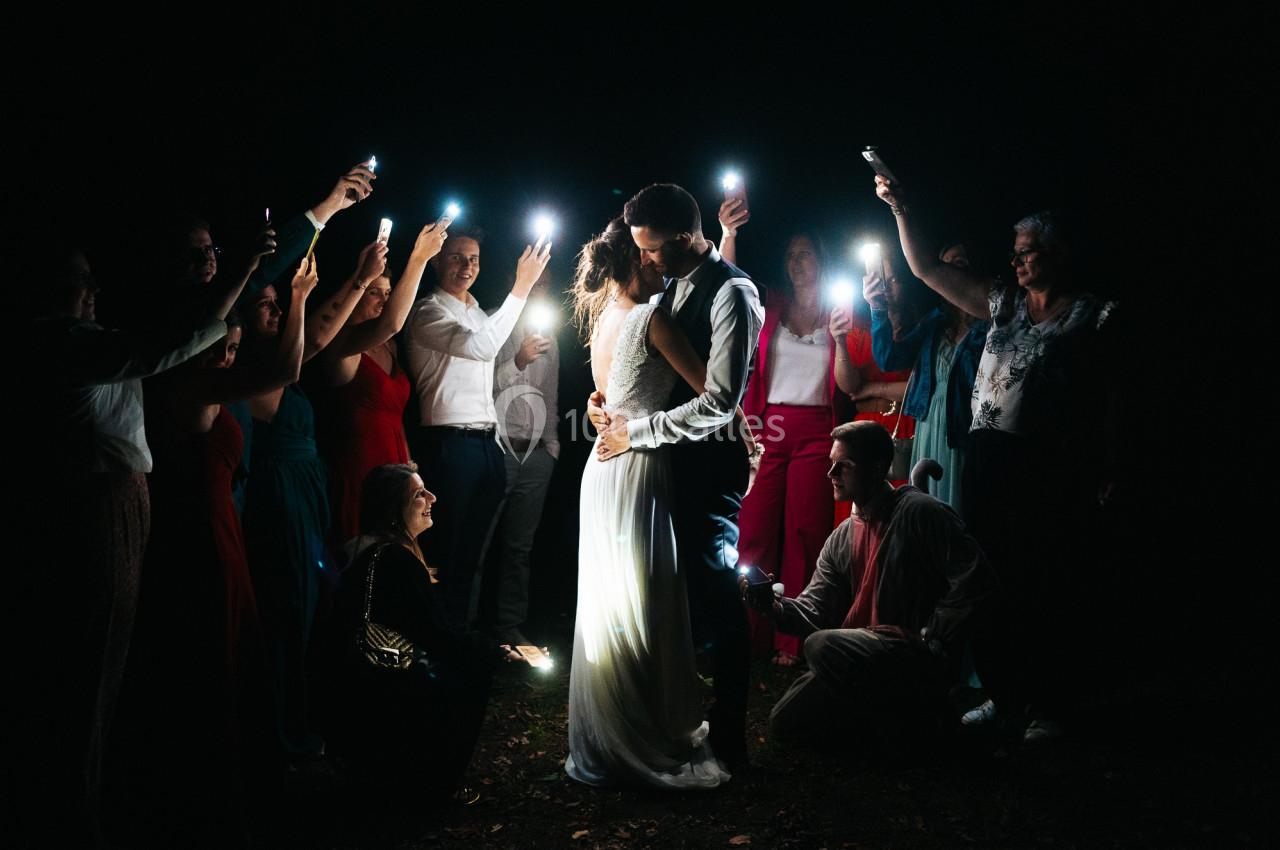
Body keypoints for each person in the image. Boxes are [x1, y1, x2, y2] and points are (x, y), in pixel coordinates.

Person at [873, 174, 1120, 743]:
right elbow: (926, 272)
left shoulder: (1091, 317)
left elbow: (1110, 397)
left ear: (1055, 254)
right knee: (986, 576)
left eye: (1025, 253)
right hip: (988, 454)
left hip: (1047, 463)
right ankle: (1004, 695)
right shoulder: (1002, 305)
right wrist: (902, 210)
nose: (1016, 264)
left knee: (1043, 579)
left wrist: (1108, 462)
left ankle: (1048, 702)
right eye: (1013, 255)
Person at [15, 240, 246, 848]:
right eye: (77, 279)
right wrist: (242, 276)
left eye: (92, 277)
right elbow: (159, 347)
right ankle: (69, 814)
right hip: (93, 503)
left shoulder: (86, 335)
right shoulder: (57, 340)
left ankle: (81, 801)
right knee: (87, 661)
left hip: (114, 498)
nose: (92, 289)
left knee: (103, 657)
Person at [567, 217, 751, 789]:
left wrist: (600, 408)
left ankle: (618, 723)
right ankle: (647, 729)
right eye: (648, 257)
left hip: (601, 468)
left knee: (614, 600)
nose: (659, 265)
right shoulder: (652, 316)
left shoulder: (603, 319)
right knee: (645, 600)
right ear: (633, 259)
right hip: (640, 464)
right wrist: (746, 435)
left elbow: (605, 395)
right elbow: (714, 394)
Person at [742, 422, 996, 755]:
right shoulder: (843, 535)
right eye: (831, 463)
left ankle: (920, 720)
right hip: (863, 655)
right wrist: (774, 607)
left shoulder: (920, 512)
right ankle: (892, 725)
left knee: (821, 646)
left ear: (877, 468)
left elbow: (975, 577)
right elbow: (815, 607)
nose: (831, 473)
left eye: (843, 465)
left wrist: (936, 635)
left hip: (912, 652)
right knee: (786, 721)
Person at [239, 243, 388, 758]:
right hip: (276, 493)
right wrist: (307, 295)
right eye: (266, 305)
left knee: (308, 607)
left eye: (280, 304)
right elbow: (306, 349)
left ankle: (303, 716)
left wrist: (356, 278)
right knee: (285, 606)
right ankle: (280, 733)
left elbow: (318, 335)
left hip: (306, 488)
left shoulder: (279, 354)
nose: (278, 312)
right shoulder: (250, 366)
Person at [319, 463, 506, 824]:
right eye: (419, 493)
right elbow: (435, 633)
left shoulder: (368, 551)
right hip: (386, 686)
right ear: (394, 507)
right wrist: (493, 653)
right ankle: (428, 787)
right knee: (469, 676)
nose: (431, 498)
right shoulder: (394, 560)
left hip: (355, 684)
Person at [404, 226, 551, 625]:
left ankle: (460, 644)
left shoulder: (477, 312)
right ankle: (435, 645)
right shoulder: (427, 311)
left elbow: (489, 367)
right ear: (437, 261)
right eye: (456, 257)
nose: (466, 266)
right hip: (449, 443)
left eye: (474, 259)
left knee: (471, 556)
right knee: (446, 552)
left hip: (488, 442)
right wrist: (521, 287)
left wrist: (517, 357)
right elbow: (480, 346)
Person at [722, 212, 845, 666]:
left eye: (805, 254)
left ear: (820, 261)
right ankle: (746, 634)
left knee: (805, 534)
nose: (797, 262)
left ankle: (793, 639)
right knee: (751, 530)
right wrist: (730, 233)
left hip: (817, 429)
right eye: (791, 256)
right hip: (767, 427)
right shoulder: (771, 304)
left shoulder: (839, 310)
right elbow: (730, 285)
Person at [313, 216, 450, 545]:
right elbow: (391, 323)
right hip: (360, 468)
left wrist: (408, 465)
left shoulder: (388, 346)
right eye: (375, 292)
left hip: (395, 463)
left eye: (389, 293)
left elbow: (393, 411)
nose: (385, 300)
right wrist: (418, 259)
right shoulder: (341, 343)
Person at [866, 241, 989, 512]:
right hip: (930, 426)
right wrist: (877, 309)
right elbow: (889, 358)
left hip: (965, 431)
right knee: (925, 508)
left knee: (960, 509)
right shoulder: (935, 322)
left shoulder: (990, 324)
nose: (950, 271)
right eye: (945, 264)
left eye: (960, 262)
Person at [482, 266, 559, 647]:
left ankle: (508, 626)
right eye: (534, 284)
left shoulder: (551, 337)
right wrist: (519, 360)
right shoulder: (496, 323)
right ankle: (466, 625)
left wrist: (552, 445)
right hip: (498, 448)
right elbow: (487, 385)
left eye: (545, 285)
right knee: (480, 539)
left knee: (520, 546)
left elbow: (550, 394)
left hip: (537, 455)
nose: (539, 291)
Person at [831, 245, 915, 523]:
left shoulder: (922, 328)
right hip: (865, 429)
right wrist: (840, 341)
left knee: (898, 514)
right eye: (881, 280)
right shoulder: (862, 328)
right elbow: (848, 385)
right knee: (856, 517)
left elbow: (920, 385)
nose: (887, 288)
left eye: (893, 280)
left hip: (906, 427)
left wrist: (872, 389)